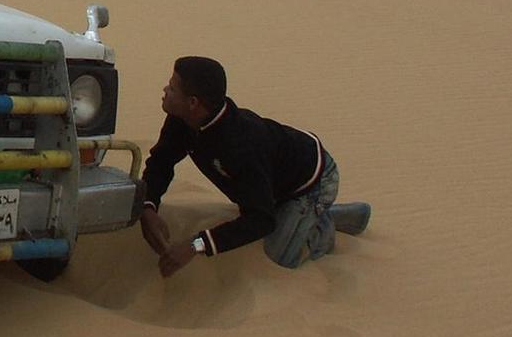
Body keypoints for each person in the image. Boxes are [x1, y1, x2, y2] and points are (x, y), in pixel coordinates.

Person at [138, 56, 371, 277]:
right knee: (269, 214)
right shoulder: (182, 120)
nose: (165, 91)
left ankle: (321, 228)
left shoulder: (240, 146)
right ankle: (310, 217)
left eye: (172, 88)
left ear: (193, 103)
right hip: (272, 187)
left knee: (279, 260)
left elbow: (260, 219)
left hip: (312, 182)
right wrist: (148, 206)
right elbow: (161, 161)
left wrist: (196, 245)